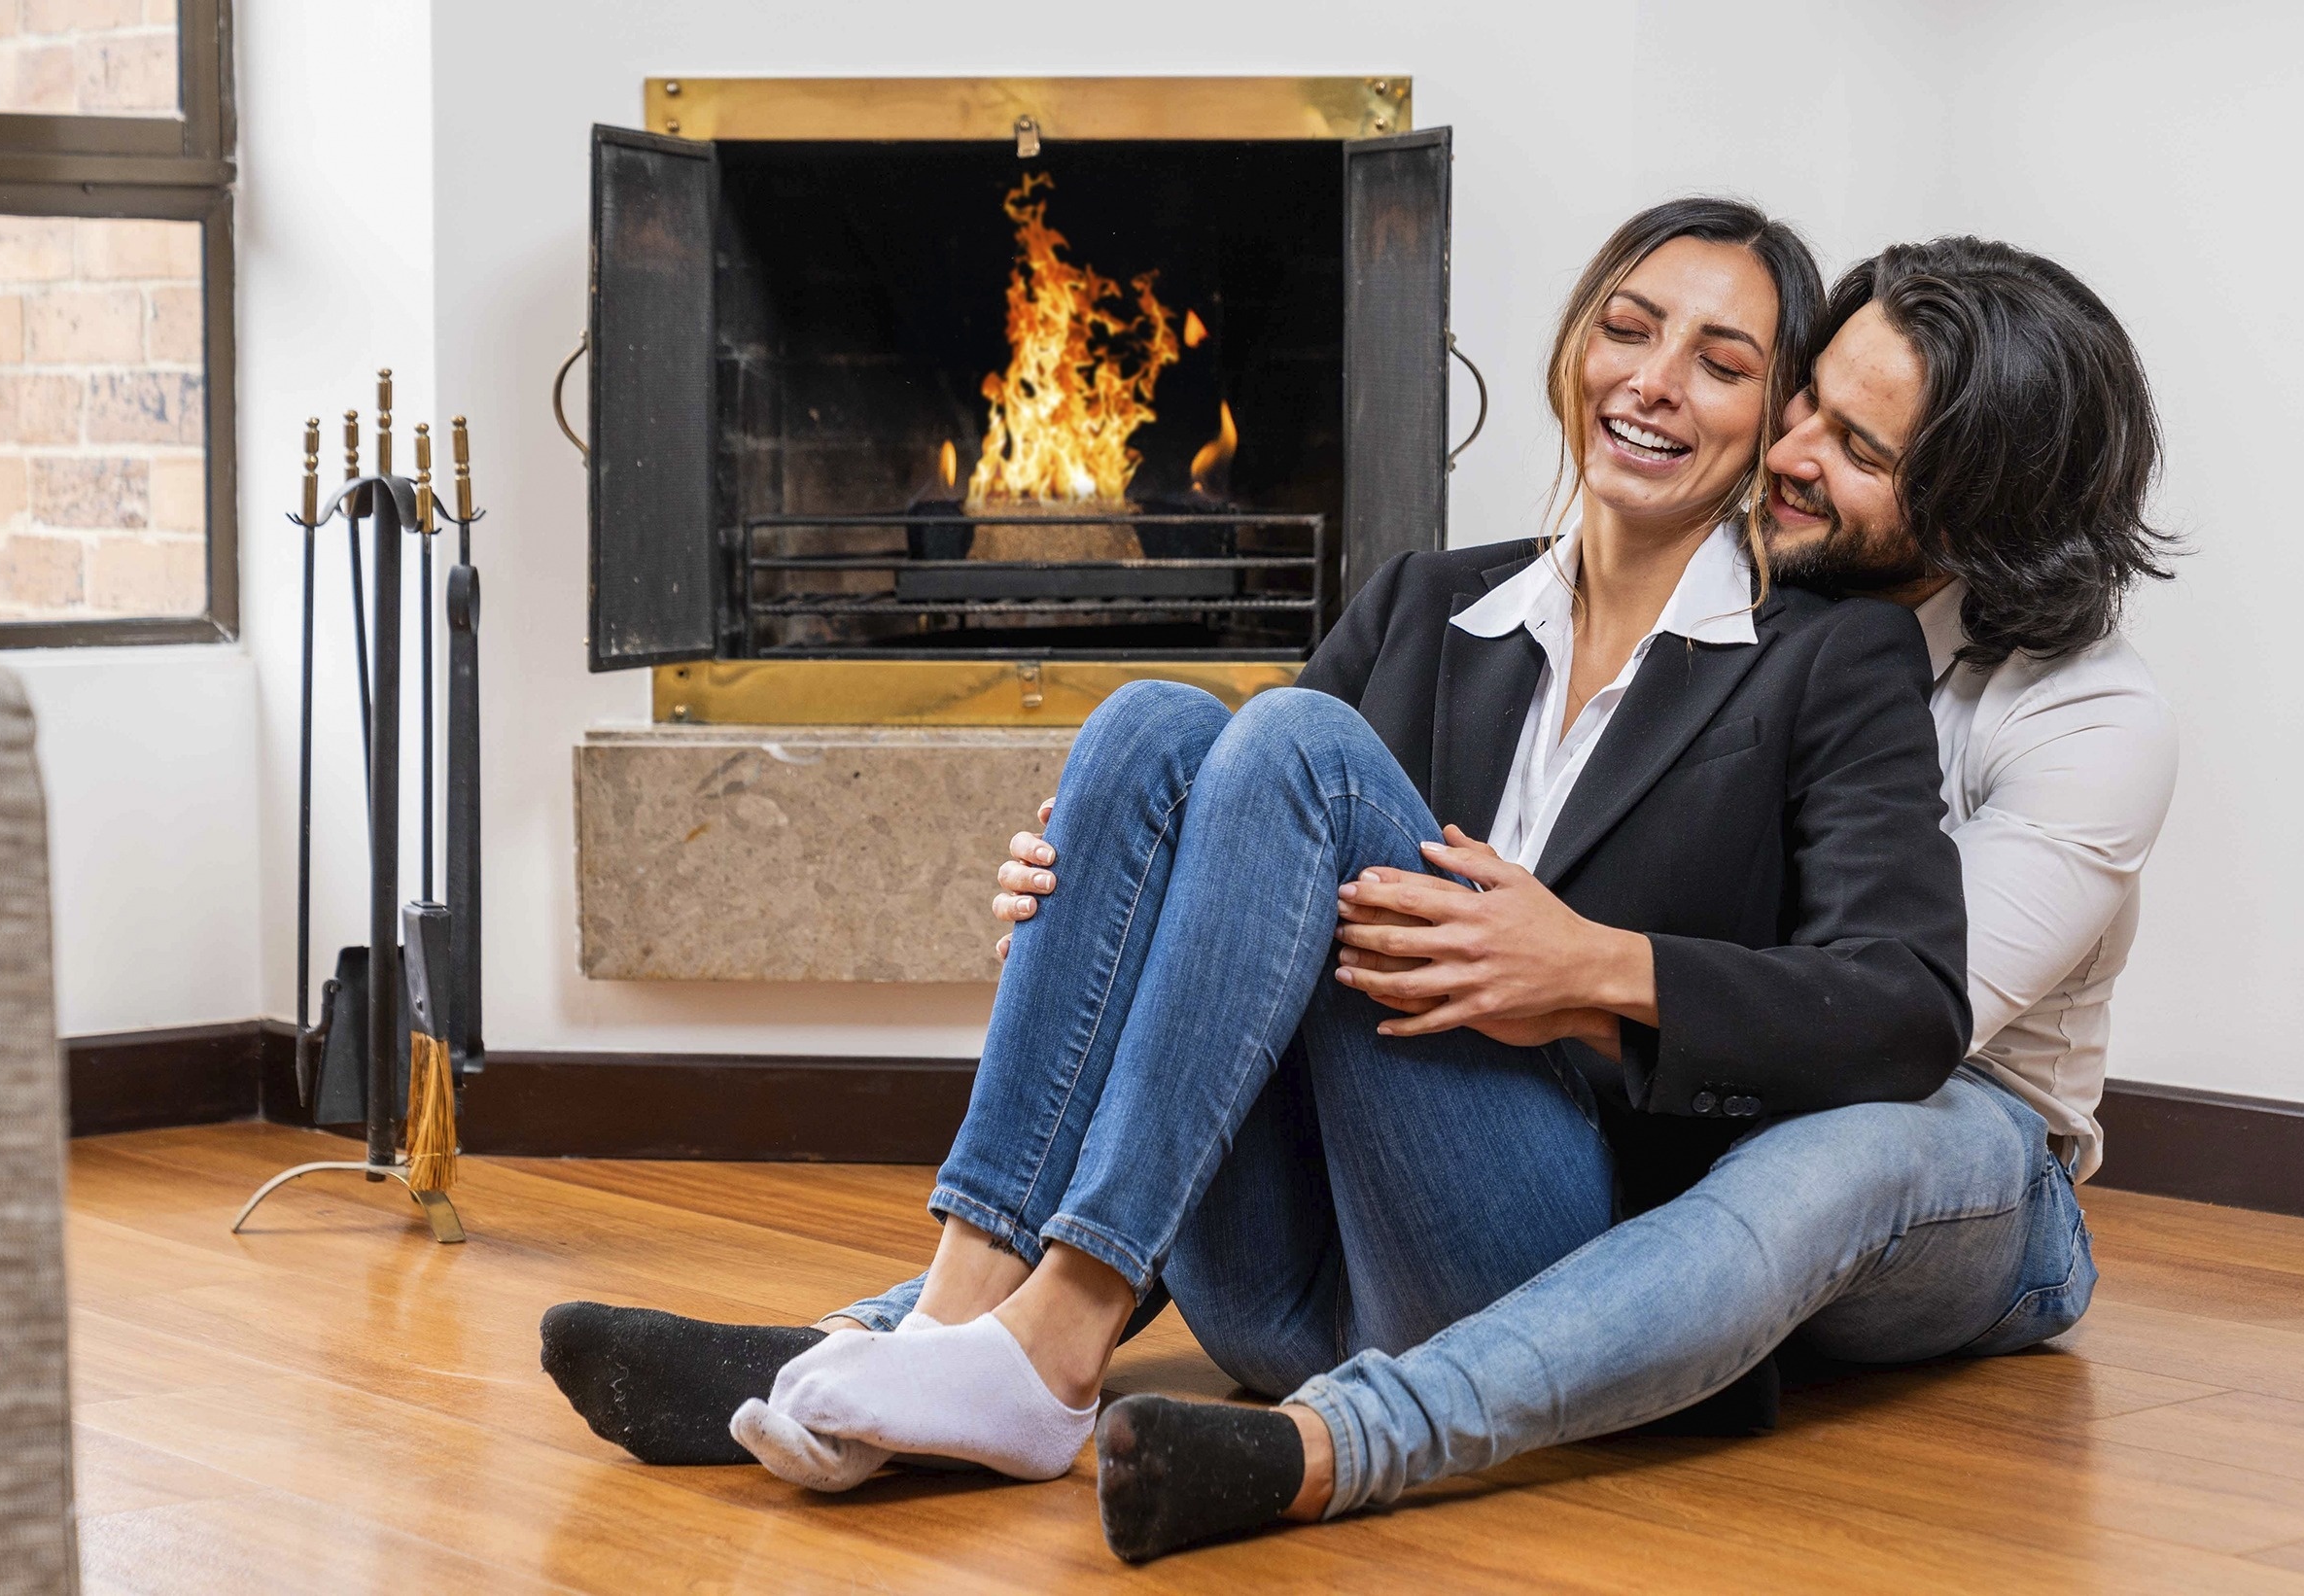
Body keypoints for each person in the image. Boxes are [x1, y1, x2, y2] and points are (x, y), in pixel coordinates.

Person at [539, 197, 1974, 1553]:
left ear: (1772, 416)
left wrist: (1594, 967)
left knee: (1287, 738)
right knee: (1154, 729)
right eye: (1628, 326)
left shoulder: (1825, 663)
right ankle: (956, 1314)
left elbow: (1905, 1006)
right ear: (1570, 348)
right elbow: (1228, 853)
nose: (1654, 380)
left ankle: (1040, 1342)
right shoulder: (1425, 600)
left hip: (1524, 1263)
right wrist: (1081, 886)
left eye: (1720, 363)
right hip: (1280, 1287)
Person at [1071, 235, 2182, 1553]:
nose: (1788, 449)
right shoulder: (1740, 600)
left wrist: (1583, 965)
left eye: (1860, 451)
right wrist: (1153, 870)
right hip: (1655, 1106)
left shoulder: (2087, 719)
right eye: (1805, 396)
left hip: (1964, 1146)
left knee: (1843, 1150)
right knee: (1183, 754)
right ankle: (986, 1322)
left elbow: (1891, 1025)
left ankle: (1356, 1438)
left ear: (1976, 514)